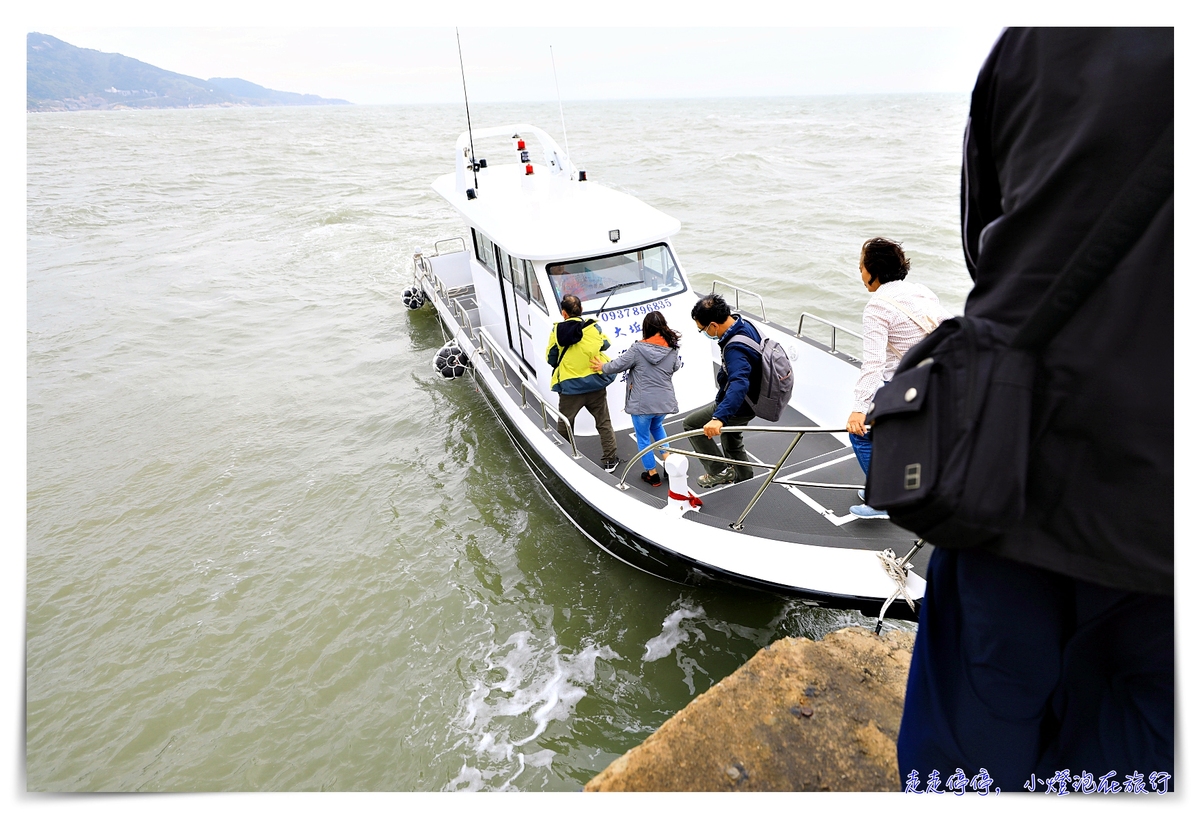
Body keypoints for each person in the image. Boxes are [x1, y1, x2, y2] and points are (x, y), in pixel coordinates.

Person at [896, 28, 1173, 793]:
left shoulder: (1041, 41)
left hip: (1014, 460)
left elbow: (985, 238)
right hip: (1165, 513)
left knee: (971, 743)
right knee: (1145, 755)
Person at [845, 238, 952, 519]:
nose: (860, 271)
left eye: (861, 266)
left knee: (862, 434)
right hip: (938, 380)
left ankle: (883, 498)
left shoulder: (877, 307)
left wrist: (858, 409)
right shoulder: (920, 291)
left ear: (874, 270)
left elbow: (874, 364)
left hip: (908, 386)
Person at [590, 311, 683, 487]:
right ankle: (669, 466)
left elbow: (616, 366)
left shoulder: (638, 349)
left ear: (646, 328)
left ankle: (652, 474)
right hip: (664, 403)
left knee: (643, 438)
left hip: (642, 405)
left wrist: (602, 366)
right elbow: (675, 366)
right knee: (657, 427)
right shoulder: (672, 348)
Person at [685, 293, 762, 488]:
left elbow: (739, 383)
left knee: (692, 424)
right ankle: (744, 477)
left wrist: (719, 417)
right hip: (755, 398)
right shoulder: (744, 324)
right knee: (731, 437)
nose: (704, 333)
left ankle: (718, 471)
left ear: (713, 325)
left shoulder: (734, 348)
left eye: (702, 329)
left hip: (740, 403)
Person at [546, 294, 620, 472]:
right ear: (581, 310)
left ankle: (564, 456)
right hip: (595, 384)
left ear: (564, 313)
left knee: (565, 423)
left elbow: (551, 358)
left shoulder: (556, 332)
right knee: (603, 423)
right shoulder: (593, 328)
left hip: (570, 389)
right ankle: (610, 460)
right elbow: (606, 344)